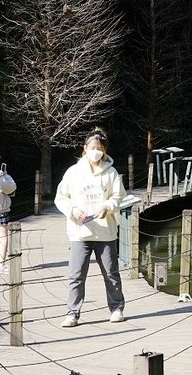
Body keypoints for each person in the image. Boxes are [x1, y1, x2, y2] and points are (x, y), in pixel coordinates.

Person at [54, 128, 127, 327]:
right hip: (80, 232)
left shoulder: (111, 173)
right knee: (76, 275)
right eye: (92, 148)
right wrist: (73, 211)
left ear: (104, 151)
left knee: (111, 274)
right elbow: (61, 198)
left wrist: (108, 206)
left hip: (105, 232)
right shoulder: (73, 172)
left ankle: (117, 308)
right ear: (85, 148)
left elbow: (119, 197)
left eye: (100, 148)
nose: (96, 151)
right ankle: (72, 313)